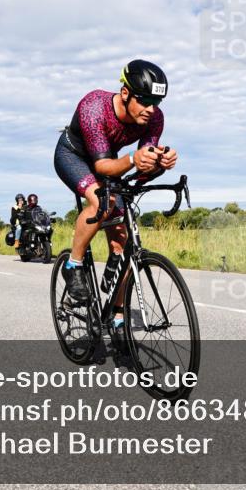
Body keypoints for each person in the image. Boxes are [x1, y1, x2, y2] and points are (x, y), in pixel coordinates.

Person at [53, 60, 178, 327]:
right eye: (144, 100)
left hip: (109, 160)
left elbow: (141, 169)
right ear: (125, 93)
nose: (151, 109)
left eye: (157, 102)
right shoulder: (94, 107)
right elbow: (101, 166)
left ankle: (117, 314)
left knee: (123, 243)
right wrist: (133, 158)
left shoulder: (154, 118)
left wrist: (159, 163)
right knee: (103, 201)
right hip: (74, 156)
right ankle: (73, 266)